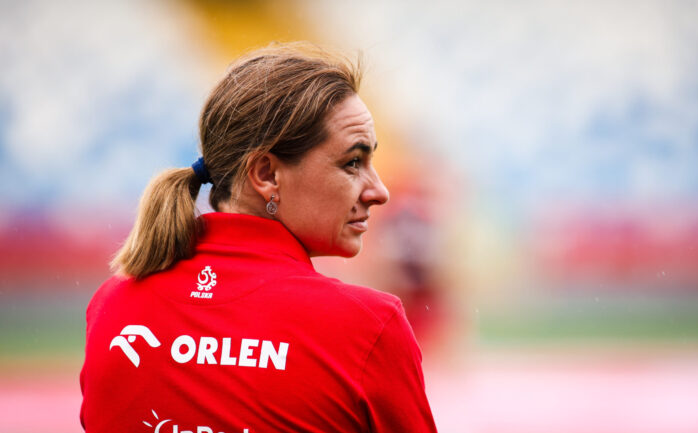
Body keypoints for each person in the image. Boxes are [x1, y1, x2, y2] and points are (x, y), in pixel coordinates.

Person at [79, 43, 437, 433]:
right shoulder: (369, 329)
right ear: (266, 174)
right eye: (352, 162)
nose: (379, 191)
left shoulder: (112, 305)